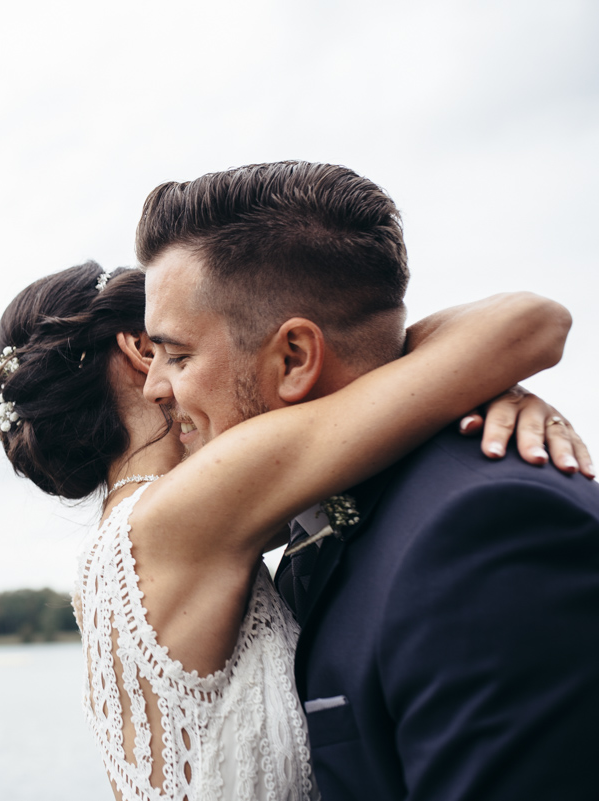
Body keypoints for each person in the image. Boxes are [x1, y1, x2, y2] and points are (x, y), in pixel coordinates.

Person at [0, 259, 586, 800]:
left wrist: (473, 387)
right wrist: (477, 383)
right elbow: (530, 323)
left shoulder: (129, 534)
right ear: (141, 349)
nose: (175, 365)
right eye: (173, 347)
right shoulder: (188, 509)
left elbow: (374, 384)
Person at [134, 161, 599, 800]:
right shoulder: (302, 529)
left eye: (179, 355)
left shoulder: (488, 532)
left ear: (294, 357)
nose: (157, 388)